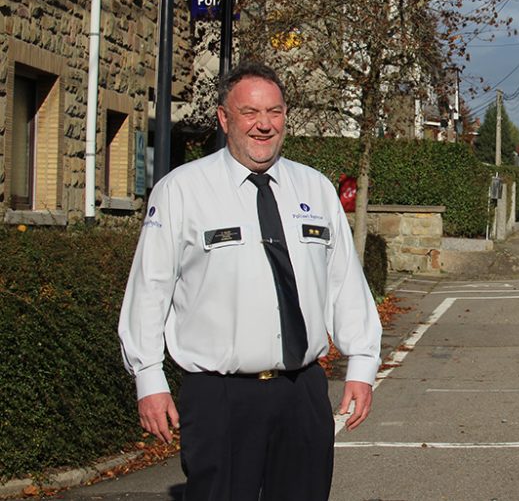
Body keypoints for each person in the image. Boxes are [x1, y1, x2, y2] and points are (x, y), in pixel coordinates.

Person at [118, 61, 382, 501]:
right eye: (250, 113)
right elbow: (150, 289)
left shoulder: (314, 189)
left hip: (302, 393)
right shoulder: (182, 189)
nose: (264, 125)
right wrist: (149, 378)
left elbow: (344, 285)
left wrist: (362, 364)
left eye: (274, 112)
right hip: (220, 397)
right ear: (225, 119)